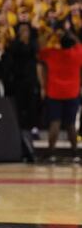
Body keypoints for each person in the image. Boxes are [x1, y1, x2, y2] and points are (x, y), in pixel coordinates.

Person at [38, 29, 82, 162]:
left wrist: (50, 34)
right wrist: (71, 35)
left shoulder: (52, 53)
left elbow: (40, 46)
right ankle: (75, 154)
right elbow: (78, 43)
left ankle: (51, 153)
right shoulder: (77, 54)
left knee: (54, 123)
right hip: (72, 93)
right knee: (71, 125)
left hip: (54, 93)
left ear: (60, 44)